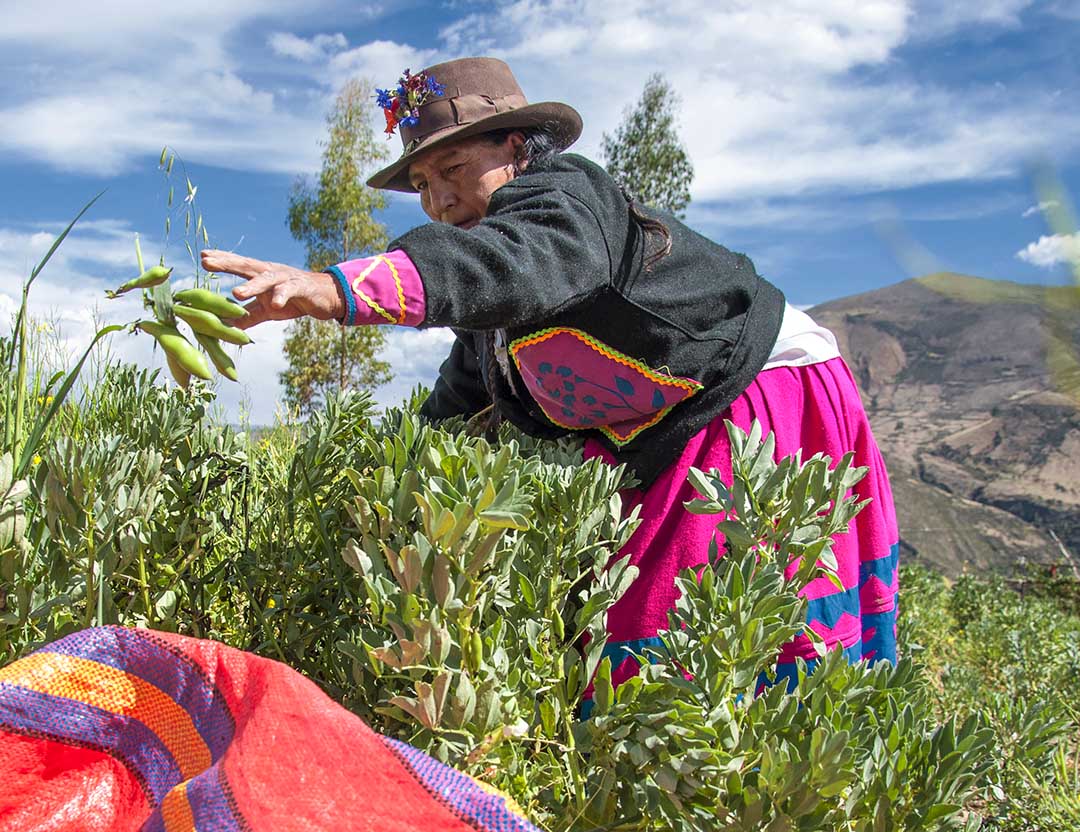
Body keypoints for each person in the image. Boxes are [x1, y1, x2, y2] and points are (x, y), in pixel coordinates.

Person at [201, 56, 899, 700]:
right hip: (657, 433)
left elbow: (513, 260)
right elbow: (464, 396)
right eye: (422, 185)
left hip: (752, 400)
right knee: (619, 633)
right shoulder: (496, 310)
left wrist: (339, 290)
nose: (439, 201)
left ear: (516, 149)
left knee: (717, 634)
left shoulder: (565, 200)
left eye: (454, 168)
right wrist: (389, 497)